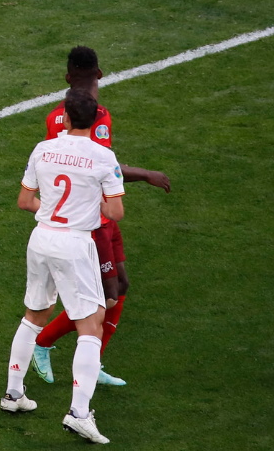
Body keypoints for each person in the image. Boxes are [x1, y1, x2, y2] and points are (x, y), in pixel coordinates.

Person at [30, 46, 171, 388]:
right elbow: (102, 164)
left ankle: (94, 362)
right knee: (105, 296)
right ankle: (43, 344)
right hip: (91, 219)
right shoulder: (98, 116)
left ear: (67, 77)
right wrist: (146, 174)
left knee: (121, 285)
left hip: (100, 216)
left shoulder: (56, 116)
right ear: (101, 73)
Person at [2, 88, 124, 445]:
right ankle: (79, 414)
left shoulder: (43, 149)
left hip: (41, 238)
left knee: (34, 314)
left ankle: (13, 394)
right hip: (74, 243)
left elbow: (25, 200)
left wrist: (50, 209)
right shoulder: (103, 156)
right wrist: (89, 205)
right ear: (95, 120)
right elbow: (115, 212)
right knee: (91, 324)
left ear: (66, 117)